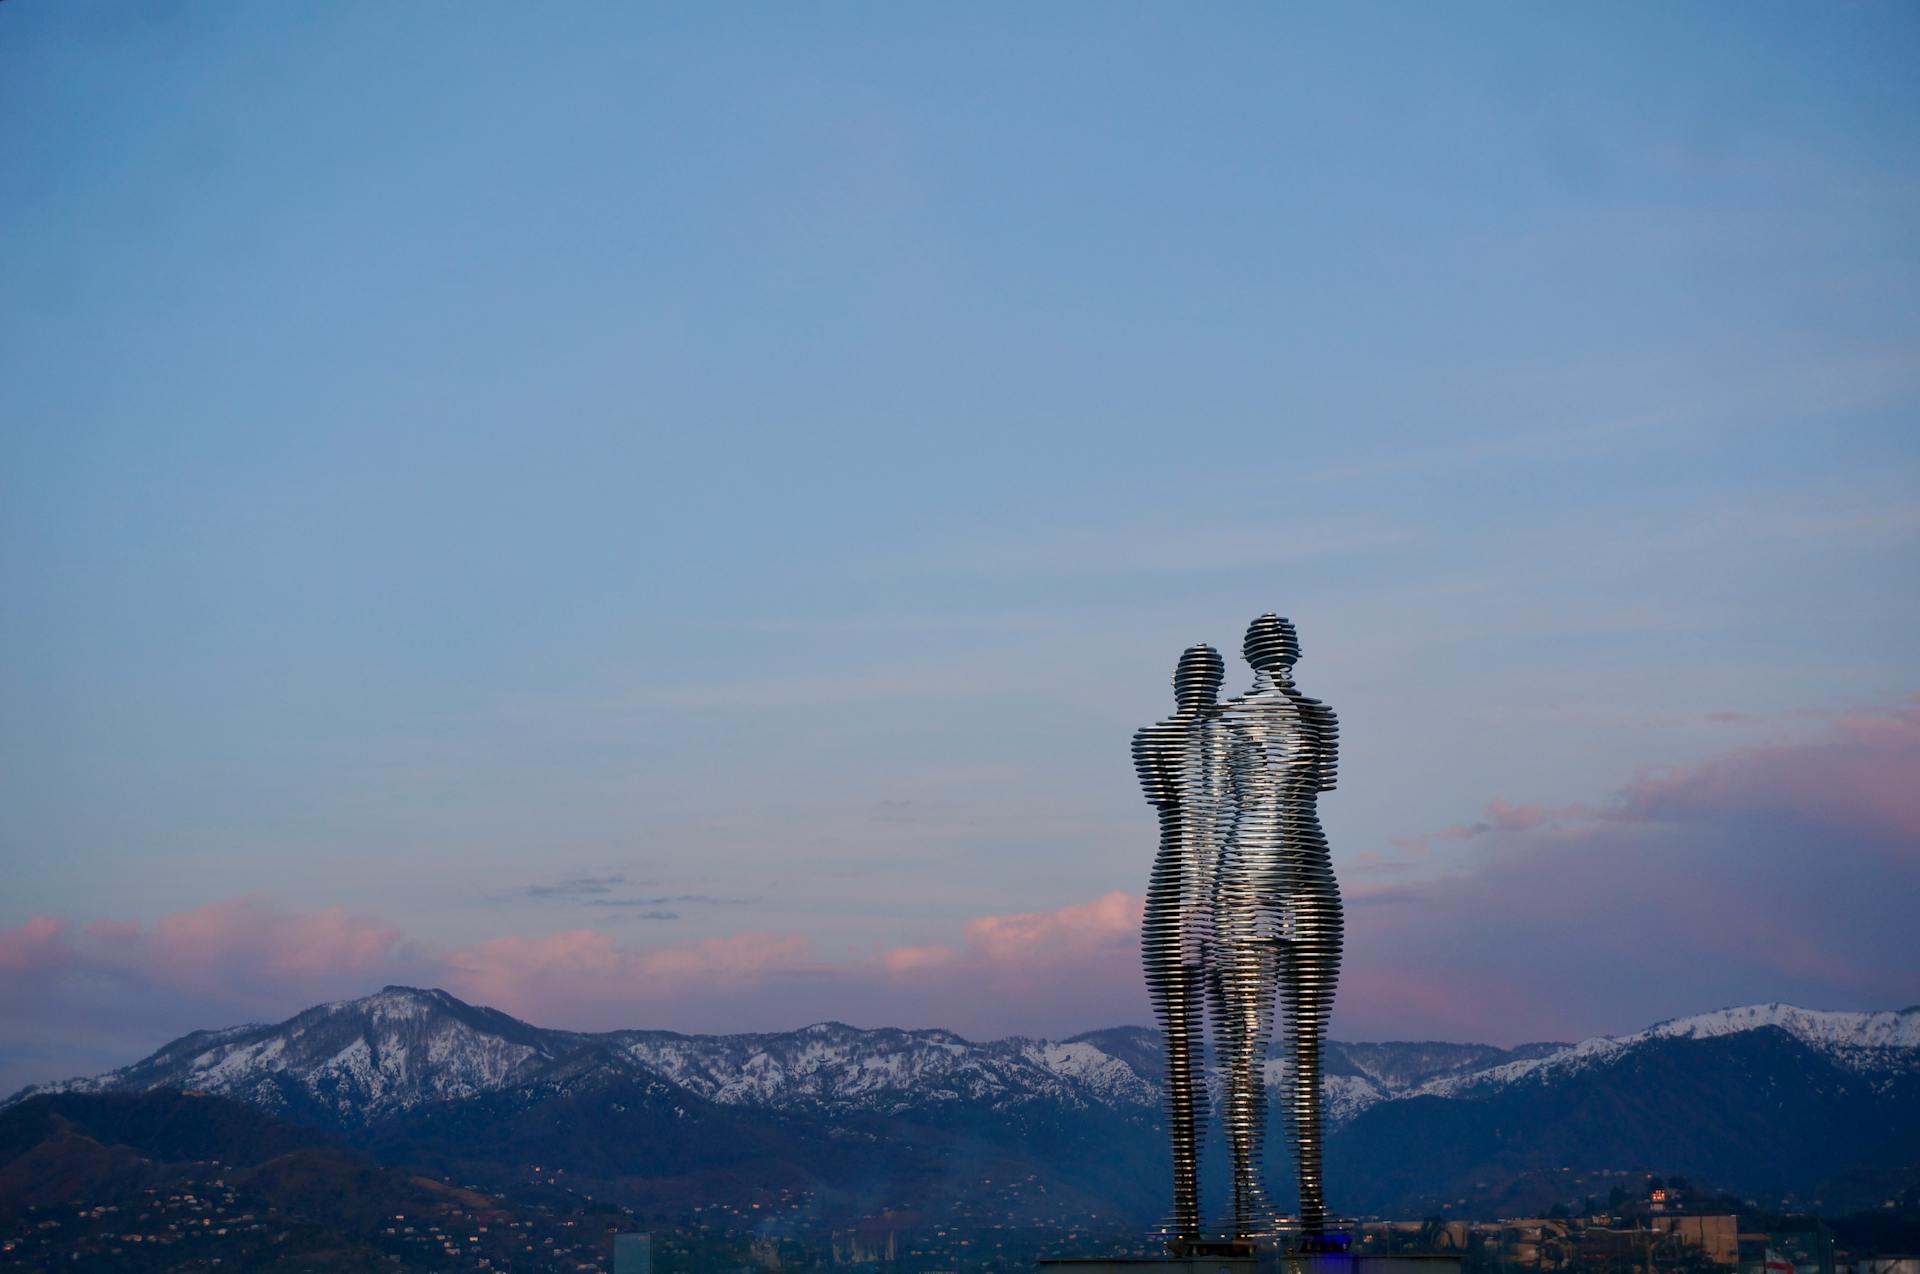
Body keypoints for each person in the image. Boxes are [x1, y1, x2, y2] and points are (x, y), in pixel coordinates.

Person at [1214, 613, 1343, 1238]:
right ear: (1249, 656)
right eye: (1269, 649)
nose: (1278, 658)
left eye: (1285, 647)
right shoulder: (1226, 721)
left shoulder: (1323, 717)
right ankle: (1250, 1202)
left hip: (1310, 869)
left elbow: (1321, 790)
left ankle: (1312, 1199)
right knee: (1248, 1042)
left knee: (1308, 1044)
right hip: (1245, 876)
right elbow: (1214, 806)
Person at [1133, 643, 1226, 1244]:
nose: (1196, 687)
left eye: (1206, 677)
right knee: (1182, 1059)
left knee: (1233, 1055)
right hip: (1177, 896)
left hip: (1223, 898)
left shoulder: (1240, 743)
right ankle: (1190, 1218)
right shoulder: (1152, 739)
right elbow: (1170, 805)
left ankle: (1239, 1212)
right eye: (1190, 677)